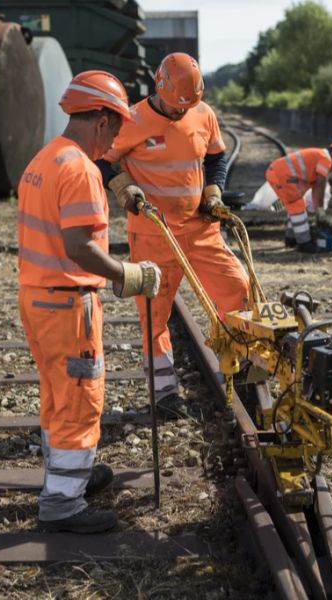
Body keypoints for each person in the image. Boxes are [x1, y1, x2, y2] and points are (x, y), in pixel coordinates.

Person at [17, 71, 161, 534]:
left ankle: (67, 475)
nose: (116, 138)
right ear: (101, 120)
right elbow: (79, 244)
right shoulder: (79, 168)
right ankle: (63, 502)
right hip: (67, 303)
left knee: (58, 394)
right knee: (80, 402)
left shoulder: (45, 158)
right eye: (116, 128)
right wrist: (127, 274)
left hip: (38, 298)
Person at [97, 52, 249, 420]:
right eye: (175, 105)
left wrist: (213, 191)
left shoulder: (203, 113)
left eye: (188, 106)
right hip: (154, 234)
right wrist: (122, 187)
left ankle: (239, 368)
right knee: (154, 316)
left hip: (200, 229)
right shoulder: (131, 119)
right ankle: (164, 393)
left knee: (237, 288)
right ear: (158, 87)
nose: (181, 112)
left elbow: (216, 158)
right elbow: (103, 159)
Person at [265, 142, 332, 253]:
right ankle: (304, 243)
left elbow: (316, 189)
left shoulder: (320, 156)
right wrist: (320, 210)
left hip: (278, 173)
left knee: (297, 203)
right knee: (297, 204)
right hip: (281, 175)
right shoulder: (326, 159)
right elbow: (320, 185)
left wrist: (318, 208)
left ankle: (291, 239)